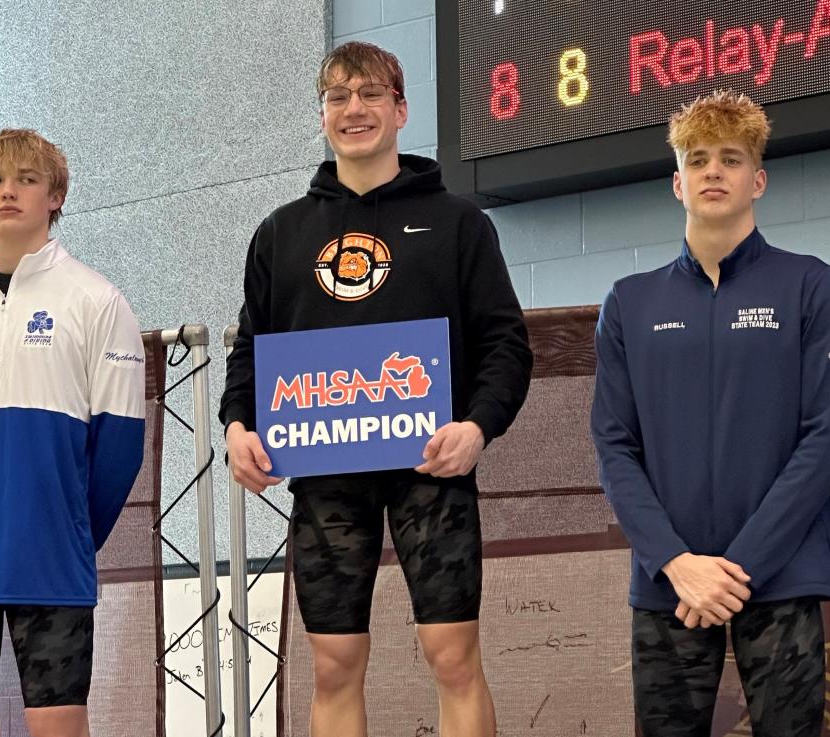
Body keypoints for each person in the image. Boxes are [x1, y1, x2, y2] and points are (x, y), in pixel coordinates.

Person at [220, 41, 532, 737]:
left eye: (368, 94)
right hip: (326, 474)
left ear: (399, 109)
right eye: (337, 97)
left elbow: (506, 346)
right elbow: (250, 351)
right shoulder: (279, 233)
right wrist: (238, 427)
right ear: (323, 114)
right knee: (331, 665)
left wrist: (476, 427)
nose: (352, 109)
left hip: (432, 468)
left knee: (451, 658)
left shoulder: (458, 222)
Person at [591, 90, 830, 735]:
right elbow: (614, 446)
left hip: (782, 573)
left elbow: (826, 437)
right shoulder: (628, 301)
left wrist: (739, 569)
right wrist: (677, 563)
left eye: (730, 159)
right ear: (675, 182)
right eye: (698, 159)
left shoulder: (809, 284)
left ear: (757, 178)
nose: (713, 171)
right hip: (669, 583)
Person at [0, 129, 146, 737]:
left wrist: (65, 532)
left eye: (26, 179)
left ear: (56, 196)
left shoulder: (98, 300)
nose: (8, 192)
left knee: (59, 729)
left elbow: (119, 448)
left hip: (52, 558)